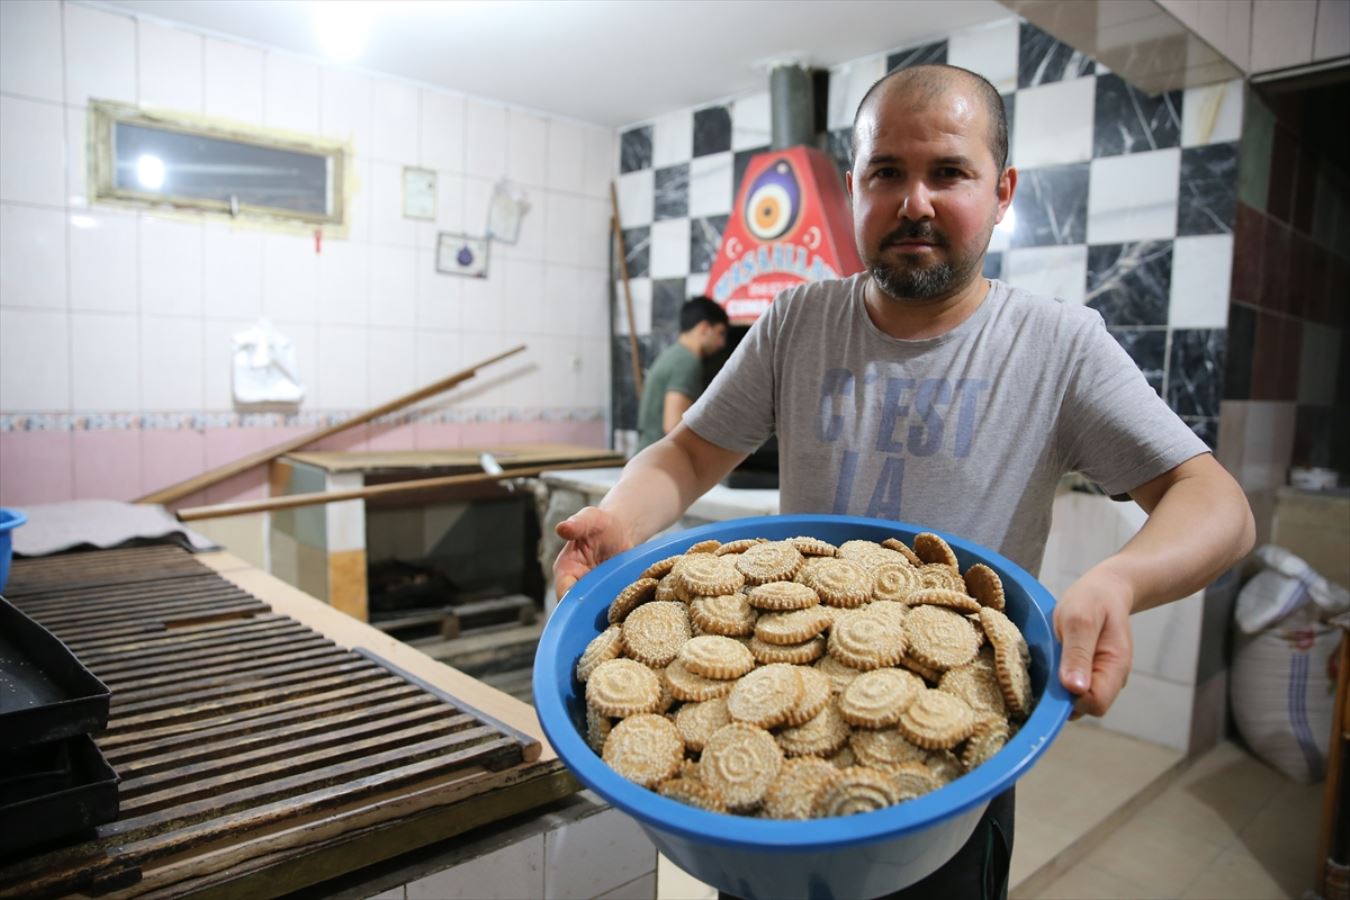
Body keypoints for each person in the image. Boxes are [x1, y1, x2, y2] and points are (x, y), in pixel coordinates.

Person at [556, 63, 1254, 900]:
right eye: (887, 172)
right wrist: (618, 516)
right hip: (787, 747)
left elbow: (1217, 505)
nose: (914, 201)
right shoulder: (797, 321)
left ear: (1003, 192)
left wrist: (1118, 581)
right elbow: (688, 453)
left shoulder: (1060, 346)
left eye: (949, 172)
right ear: (853, 188)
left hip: (945, 772)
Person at [635, 296, 730, 452]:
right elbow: (673, 426)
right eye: (720, 333)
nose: (722, 343)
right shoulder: (687, 362)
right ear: (704, 328)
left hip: (647, 459)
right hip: (660, 464)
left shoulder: (672, 355)